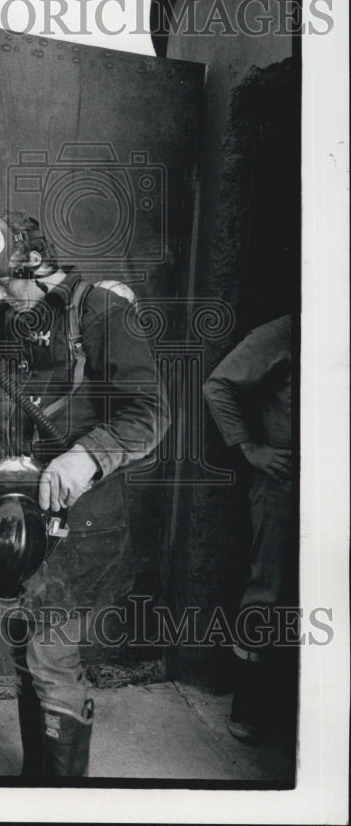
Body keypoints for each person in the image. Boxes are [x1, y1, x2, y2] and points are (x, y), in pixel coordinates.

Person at [0, 211, 169, 777]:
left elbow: (149, 412)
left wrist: (87, 454)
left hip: (84, 517)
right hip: (21, 512)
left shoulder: (100, 308)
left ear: (34, 264)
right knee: (25, 651)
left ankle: (60, 797)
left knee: (50, 658)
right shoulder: (7, 308)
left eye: (5, 281)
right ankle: (37, 780)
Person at [203, 314, 294, 743]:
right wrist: (251, 449)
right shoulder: (285, 331)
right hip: (285, 480)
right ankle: (250, 706)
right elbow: (218, 386)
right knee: (268, 591)